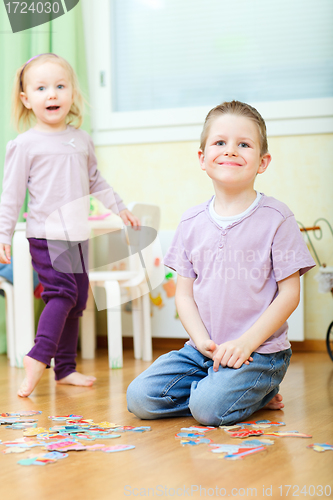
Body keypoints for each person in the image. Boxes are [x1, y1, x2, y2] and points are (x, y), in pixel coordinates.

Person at [127, 100, 316, 426]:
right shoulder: (191, 222)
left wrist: (246, 343)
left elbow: (289, 294)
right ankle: (233, 389)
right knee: (140, 397)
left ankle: (256, 387)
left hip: (260, 352)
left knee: (207, 409)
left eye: (244, 144)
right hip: (204, 352)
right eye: (220, 143)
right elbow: (184, 295)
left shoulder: (278, 218)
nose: (230, 150)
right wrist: (202, 341)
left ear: (262, 161)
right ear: (202, 158)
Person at [0, 53, 140, 398]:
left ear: (72, 93)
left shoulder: (80, 139)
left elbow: (96, 181)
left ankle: (64, 369)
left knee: (77, 300)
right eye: (42, 88)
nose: (52, 94)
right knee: (60, 294)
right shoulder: (25, 145)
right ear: (26, 99)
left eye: (60, 86)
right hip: (46, 235)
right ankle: (38, 357)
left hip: (78, 235)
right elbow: (11, 196)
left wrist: (120, 208)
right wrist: (3, 233)